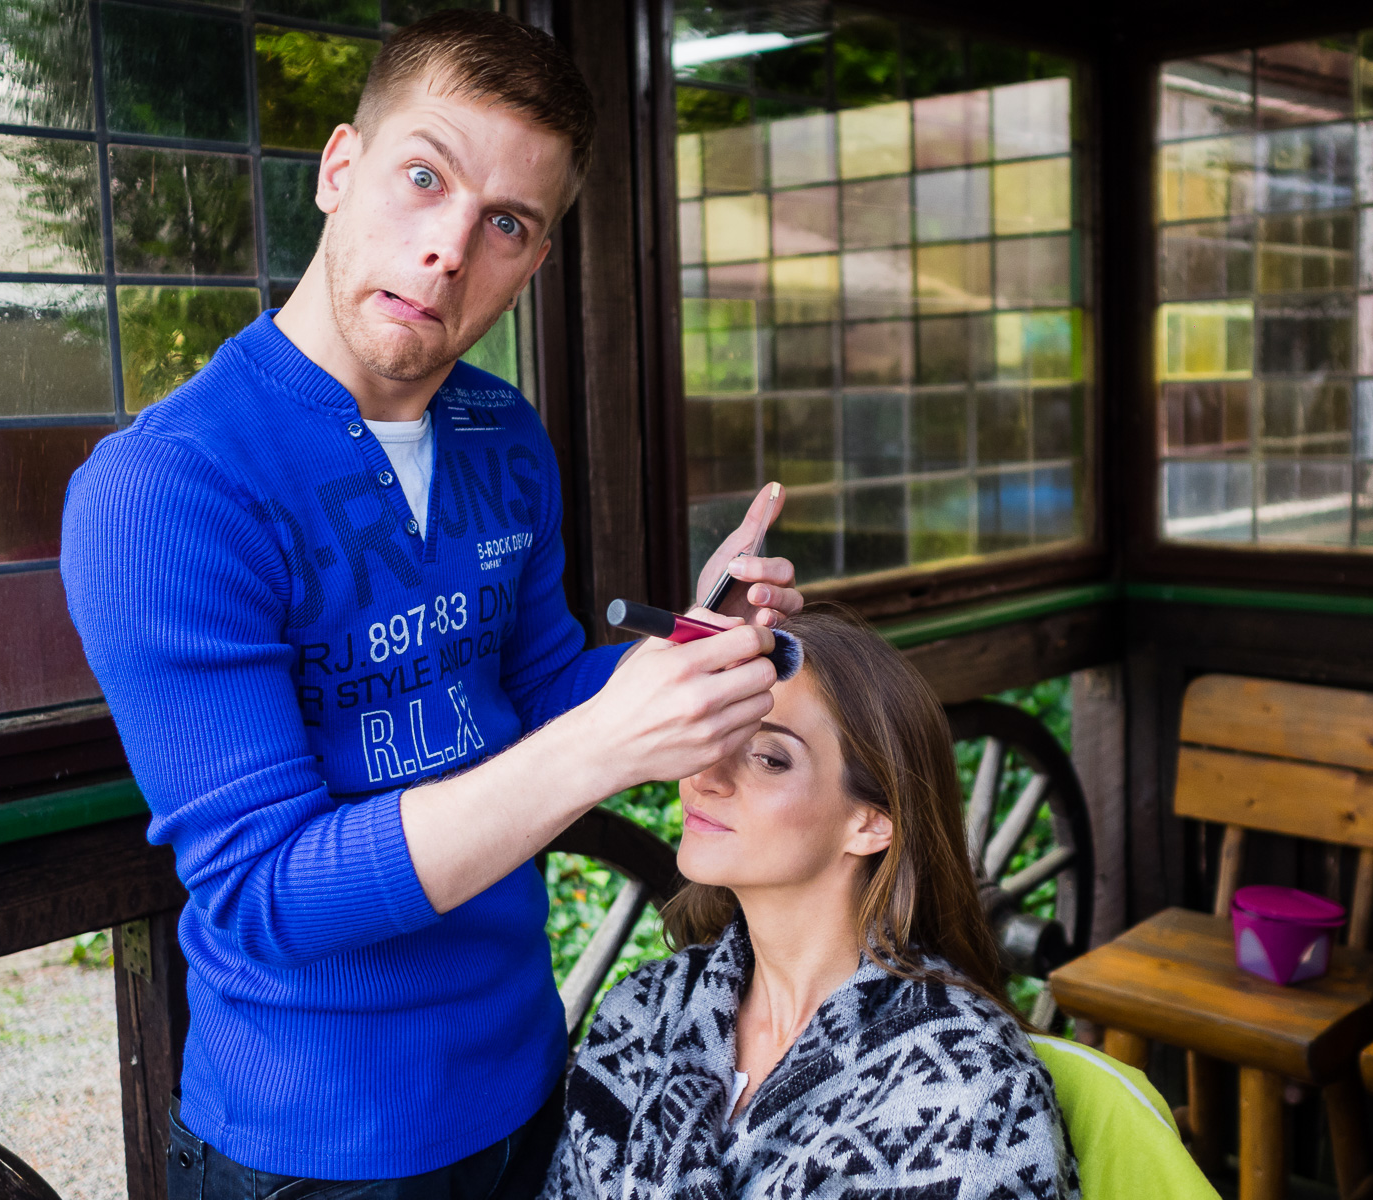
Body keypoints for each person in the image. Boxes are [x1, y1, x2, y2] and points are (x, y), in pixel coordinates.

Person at [59, 11, 802, 1197]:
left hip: (526, 1079)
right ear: (341, 170)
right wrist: (604, 746)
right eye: (424, 177)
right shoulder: (165, 492)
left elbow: (544, 684)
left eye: (506, 222)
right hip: (313, 1144)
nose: (451, 247)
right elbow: (266, 892)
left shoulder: (502, 434)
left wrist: (697, 649)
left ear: (535, 257)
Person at [545, 607, 1082, 1200]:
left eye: (770, 758)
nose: (705, 777)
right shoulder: (642, 1014)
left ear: (871, 822)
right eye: (714, 736)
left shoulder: (977, 1088)